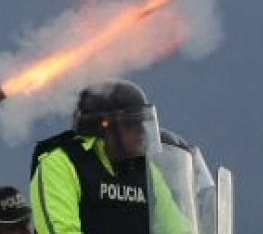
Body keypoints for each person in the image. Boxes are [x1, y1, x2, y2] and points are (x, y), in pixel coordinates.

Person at [29, 80, 188, 234]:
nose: (141, 132)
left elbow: (177, 228)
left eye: (142, 124)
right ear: (106, 128)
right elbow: (61, 230)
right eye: (131, 124)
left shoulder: (146, 169)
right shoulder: (61, 163)